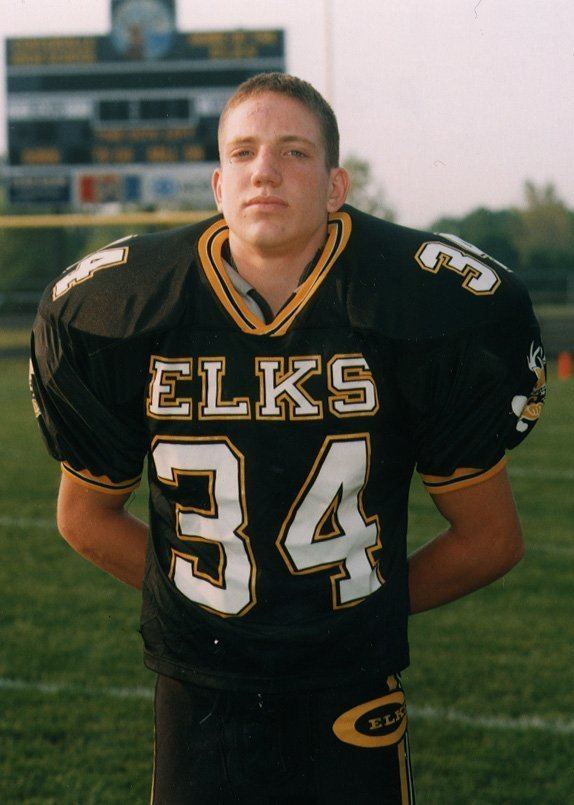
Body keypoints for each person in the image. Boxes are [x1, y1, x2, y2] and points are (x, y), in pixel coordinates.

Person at [30, 73, 546, 803]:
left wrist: (353, 608)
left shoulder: (415, 305)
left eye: (293, 152)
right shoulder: (124, 306)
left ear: (336, 185)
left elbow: (492, 539)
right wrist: (219, 607)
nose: (265, 169)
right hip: (200, 688)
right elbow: (81, 517)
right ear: (218, 184)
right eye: (243, 152)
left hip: (348, 683)